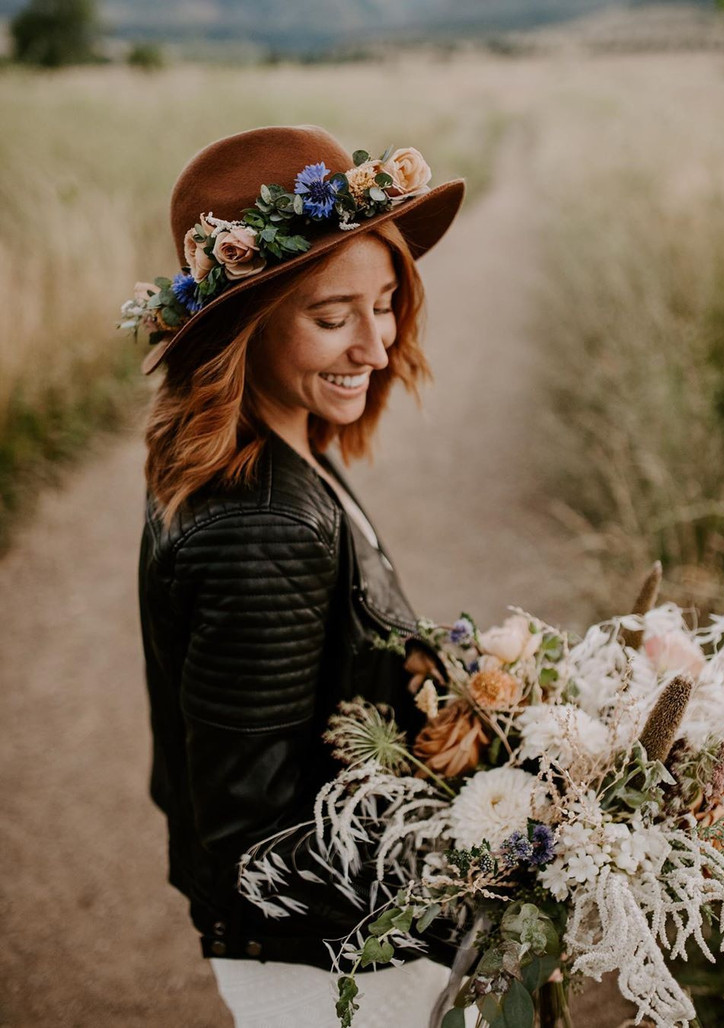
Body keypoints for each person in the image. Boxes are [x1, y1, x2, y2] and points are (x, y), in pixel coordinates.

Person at [129, 125, 467, 1026]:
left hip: (338, 938)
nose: (377, 346)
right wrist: (486, 851)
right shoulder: (262, 525)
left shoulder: (284, 453)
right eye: (332, 317)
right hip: (325, 968)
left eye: (387, 302)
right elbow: (250, 840)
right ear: (247, 328)